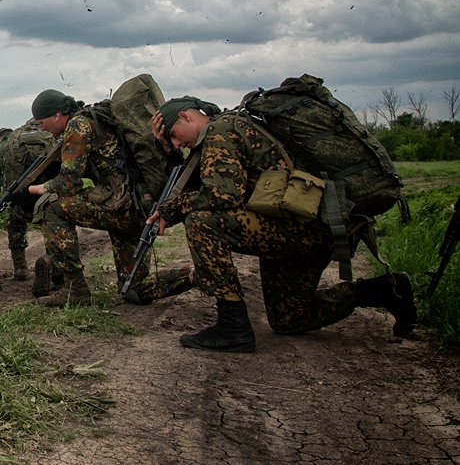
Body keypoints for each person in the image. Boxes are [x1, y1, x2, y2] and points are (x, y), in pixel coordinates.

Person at [147, 96, 417, 353]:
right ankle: (384, 290)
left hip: (299, 228)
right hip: (310, 226)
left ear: (186, 117)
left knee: (202, 222)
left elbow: (221, 196)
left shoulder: (220, 130)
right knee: (289, 319)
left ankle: (232, 326)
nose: (177, 143)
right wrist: (167, 153)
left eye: (174, 135)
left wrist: (175, 208)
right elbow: (202, 186)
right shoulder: (231, 126)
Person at [26, 89, 194, 307]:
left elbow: (68, 182)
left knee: (50, 207)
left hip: (121, 207)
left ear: (57, 115)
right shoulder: (99, 118)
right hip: (139, 205)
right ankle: (197, 274)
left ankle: (74, 290)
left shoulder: (78, 124)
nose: (42, 128)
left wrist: (36, 189)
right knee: (134, 290)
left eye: (42, 122)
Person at [0, 119, 56, 281]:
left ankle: (20, 267)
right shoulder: (51, 132)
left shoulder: (15, 135)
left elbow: (1, 166)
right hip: (46, 189)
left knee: (15, 220)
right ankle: (54, 265)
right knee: (52, 222)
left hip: (18, 191)